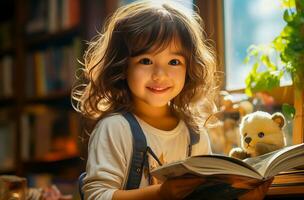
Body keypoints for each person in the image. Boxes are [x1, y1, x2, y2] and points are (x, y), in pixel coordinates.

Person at [72, 0, 272, 199]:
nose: (160, 74)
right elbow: (97, 195)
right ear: (122, 66)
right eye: (146, 61)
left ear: (189, 68)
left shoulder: (195, 134)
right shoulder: (115, 128)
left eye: (174, 62)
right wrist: (160, 193)